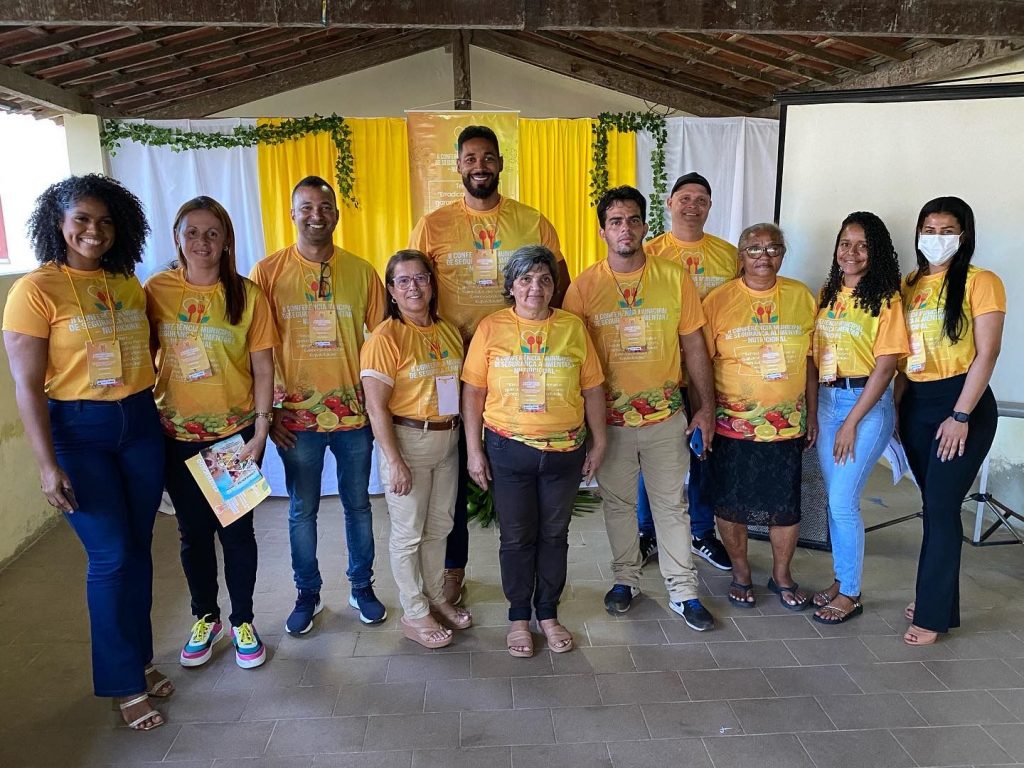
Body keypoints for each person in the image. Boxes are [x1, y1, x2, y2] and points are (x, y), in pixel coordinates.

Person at [2, 174, 170, 730]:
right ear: (59, 223)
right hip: (77, 431)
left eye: (104, 221)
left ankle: (140, 660)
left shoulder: (126, 282)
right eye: (81, 219)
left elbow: (147, 347)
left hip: (139, 423)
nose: (94, 231)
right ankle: (123, 683)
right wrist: (46, 465)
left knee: (139, 548)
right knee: (111, 555)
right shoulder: (35, 290)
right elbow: (27, 386)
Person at [410, 125, 569, 608]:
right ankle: (453, 568)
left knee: (513, 463)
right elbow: (414, 287)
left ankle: (528, 577)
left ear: (500, 164)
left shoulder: (532, 220)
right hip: (450, 366)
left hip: (521, 365)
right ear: (458, 165)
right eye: (470, 158)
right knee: (457, 466)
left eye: (488, 158)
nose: (479, 166)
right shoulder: (433, 224)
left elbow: (557, 285)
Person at [563, 186, 715, 631]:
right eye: (615, 221)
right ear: (602, 231)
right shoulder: (584, 287)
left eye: (633, 220)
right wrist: (583, 427)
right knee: (618, 505)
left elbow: (694, 347)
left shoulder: (674, 278)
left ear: (646, 226)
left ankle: (683, 591)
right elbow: (572, 360)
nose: (625, 228)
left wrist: (705, 407)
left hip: (666, 417)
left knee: (671, 505)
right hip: (609, 422)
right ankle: (626, 581)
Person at [250, 176, 387, 634]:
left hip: (354, 416)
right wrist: (268, 413)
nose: (316, 215)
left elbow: (383, 342)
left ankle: (362, 587)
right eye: (306, 207)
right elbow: (256, 350)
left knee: (359, 506)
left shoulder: (361, 271)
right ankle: (306, 593)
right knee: (301, 510)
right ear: (292, 214)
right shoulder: (267, 272)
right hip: (295, 419)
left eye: (325, 207)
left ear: (337, 215)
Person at [145, 196, 278, 667]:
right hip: (176, 435)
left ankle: (243, 621)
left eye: (212, 233)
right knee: (193, 535)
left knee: (237, 533)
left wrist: (261, 430)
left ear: (226, 242)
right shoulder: (157, 289)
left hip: (231, 437)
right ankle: (206, 616)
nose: (202, 242)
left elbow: (263, 368)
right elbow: (142, 356)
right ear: (177, 237)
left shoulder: (246, 294)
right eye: (192, 232)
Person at [463, 245, 606, 657]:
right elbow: (473, 391)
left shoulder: (572, 327)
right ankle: (518, 618)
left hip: (565, 452)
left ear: (553, 286)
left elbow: (592, 388)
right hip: (507, 450)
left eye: (544, 279)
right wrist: (474, 450)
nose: (535, 287)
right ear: (511, 286)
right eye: (525, 279)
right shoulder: (491, 327)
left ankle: (548, 613)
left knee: (555, 536)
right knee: (516, 537)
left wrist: (599, 442)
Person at [897, 197, 1004, 646]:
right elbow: (898, 354)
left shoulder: (982, 281)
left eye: (946, 231)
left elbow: (987, 353)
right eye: (929, 229)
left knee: (942, 508)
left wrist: (961, 414)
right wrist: (896, 413)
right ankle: (934, 597)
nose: (936, 238)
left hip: (962, 403)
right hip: (916, 403)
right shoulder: (909, 283)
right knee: (934, 507)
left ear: (964, 235)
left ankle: (932, 615)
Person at [701, 223, 817, 611]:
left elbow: (811, 361)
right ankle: (741, 572)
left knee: (785, 505)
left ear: (783, 253)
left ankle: (781, 575)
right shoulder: (718, 301)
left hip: (786, 424)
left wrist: (812, 413)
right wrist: (704, 414)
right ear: (740, 256)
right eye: (754, 249)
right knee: (731, 503)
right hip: (732, 425)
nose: (763, 256)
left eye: (772, 248)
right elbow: (701, 364)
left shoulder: (801, 296)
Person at [360, 250, 470, 649]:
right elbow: (376, 406)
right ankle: (414, 610)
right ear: (391, 290)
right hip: (408, 442)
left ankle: (436, 595)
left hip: (448, 440)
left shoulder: (447, 331)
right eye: (403, 281)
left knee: (440, 525)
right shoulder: (385, 338)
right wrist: (394, 461)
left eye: (421, 278)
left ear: (432, 283)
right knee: (408, 533)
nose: (413, 287)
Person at [810, 212, 908, 624]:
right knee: (836, 503)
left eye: (863, 245)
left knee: (842, 502)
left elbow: (885, 369)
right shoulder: (828, 292)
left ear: (877, 251)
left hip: (865, 405)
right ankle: (841, 579)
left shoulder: (887, 299)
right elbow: (814, 356)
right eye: (845, 243)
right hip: (827, 400)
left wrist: (850, 423)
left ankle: (851, 593)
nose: (852, 252)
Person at [637, 172, 737, 571]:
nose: (692, 205)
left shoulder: (728, 255)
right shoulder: (650, 253)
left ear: (710, 207)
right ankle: (646, 532)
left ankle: (701, 531)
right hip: (661, 371)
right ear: (669, 203)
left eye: (701, 200)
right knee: (651, 456)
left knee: (704, 452)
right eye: (685, 198)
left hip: (710, 373)